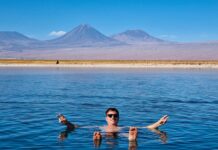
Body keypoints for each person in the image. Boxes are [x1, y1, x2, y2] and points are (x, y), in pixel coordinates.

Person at [58, 108, 168, 145]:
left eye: (115, 116)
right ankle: (97, 141)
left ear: (118, 118)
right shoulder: (100, 127)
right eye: (110, 115)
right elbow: (77, 127)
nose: (112, 117)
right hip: (104, 134)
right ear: (106, 118)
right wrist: (66, 123)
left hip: (120, 134)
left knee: (129, 133)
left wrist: (158, 123)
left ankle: (131, 140)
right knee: (98, 134)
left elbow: (147, 128)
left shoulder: (123, 127)